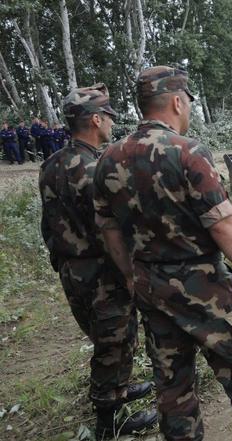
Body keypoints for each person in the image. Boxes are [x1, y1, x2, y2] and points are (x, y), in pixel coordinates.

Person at [93, 66, 232, 441]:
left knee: (172, 386)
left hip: (150, 286)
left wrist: (130, 273)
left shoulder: (108, 159)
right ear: (178, 101)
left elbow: (109, 230)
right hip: (203, 288)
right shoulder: (189, 152)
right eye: (188, 102)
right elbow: (222, 224)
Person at [39, 84, 158, 439]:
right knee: (114, 342)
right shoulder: (93, 168)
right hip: (99, 270)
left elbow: (50, 223)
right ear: (95, 119)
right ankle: (111, 421)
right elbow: (112, 229)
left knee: (105, 335)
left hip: (70, 268)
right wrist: (131, 268)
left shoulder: (52, 163)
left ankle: (119, 391)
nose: (110, 123)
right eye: (108, 116)